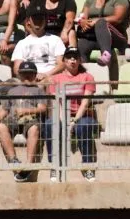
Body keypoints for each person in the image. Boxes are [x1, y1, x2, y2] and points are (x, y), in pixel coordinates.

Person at [42, 47, 98, 181]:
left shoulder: (87, 77)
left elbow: (85, 103)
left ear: (80, 60)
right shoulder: (55, 79)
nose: (72, 60)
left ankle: (87, 166)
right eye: (69, 57)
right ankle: (54, 164)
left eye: (75, 57)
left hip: (83, 115)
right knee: (50, 125)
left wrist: (74, 121)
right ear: (64, 60)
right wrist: (64, 120)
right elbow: (57, 104)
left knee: (84, 126)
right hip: (62, 114)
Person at [0, 61, 46, 182]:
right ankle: (13, 160)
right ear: (19, 75)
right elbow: (5, 110)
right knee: (0, 126)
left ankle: (29, 165)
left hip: (31, 119)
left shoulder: (39, 91)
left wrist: (26, 111)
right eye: (24, 73)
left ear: (35, 75)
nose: (27, 76)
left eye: (30, 74)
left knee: (34, 128)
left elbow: (42, 108)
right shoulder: (12, 91)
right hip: (13, 119)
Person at [75, 0, 129, 81]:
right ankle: (83, 77)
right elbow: (82, 17)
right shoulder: (90, 1)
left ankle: (106, 55)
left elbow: (118, 18)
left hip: (116, 37)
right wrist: (82, 22)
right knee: (82, 44)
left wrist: (96, 21)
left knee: (101, 22)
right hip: (96, 37)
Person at [11, 9, 66, 80]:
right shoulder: (22, 43)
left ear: (45, 21)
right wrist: (30, 77)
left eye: (40, 19)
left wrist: (45, 75)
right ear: (28, 21)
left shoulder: (56, 40)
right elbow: (16, 68)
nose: (38, 21)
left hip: (50, 77)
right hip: (28, 79)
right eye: (35, 19)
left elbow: (61, 64)